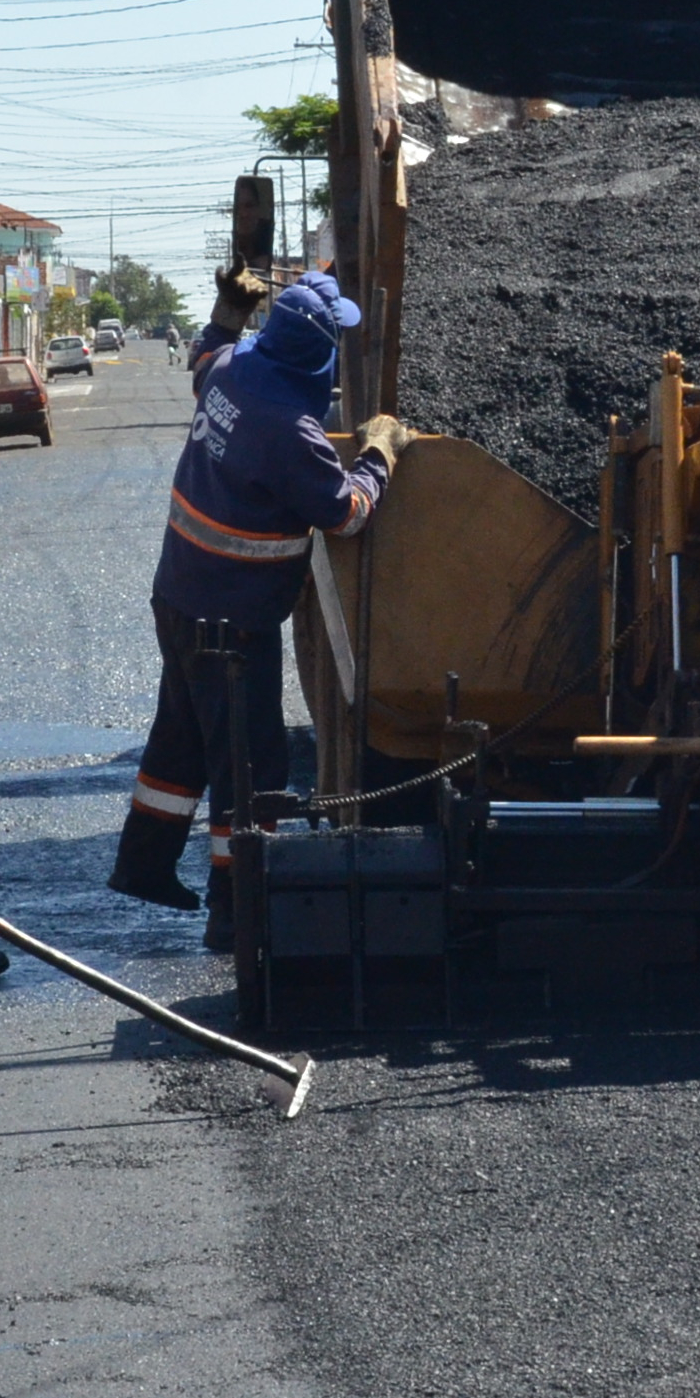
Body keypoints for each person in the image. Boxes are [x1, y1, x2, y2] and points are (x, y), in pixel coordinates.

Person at [107, 268, 406, 945]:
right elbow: (345, 511)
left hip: (179, 592)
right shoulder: (287, 429)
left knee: (182, 738)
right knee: (251, 766)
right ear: (319, 354)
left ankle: (144, 864)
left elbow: (204, 353)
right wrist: (381, 454)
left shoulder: (233, 370)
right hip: (231, 621)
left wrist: (227, 310)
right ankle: (235, 906)